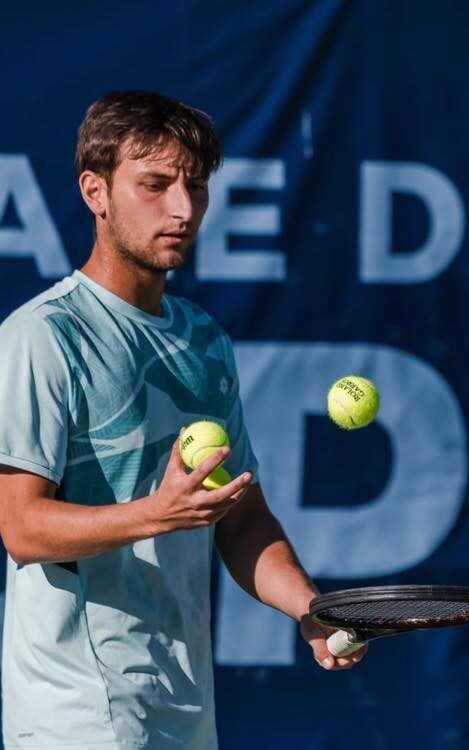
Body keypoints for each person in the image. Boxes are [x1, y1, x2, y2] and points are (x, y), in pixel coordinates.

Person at [0, 91, 363, 750]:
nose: (183, 208)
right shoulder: (44, 336)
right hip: (77, 712)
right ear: (96, 191)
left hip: (184, 706)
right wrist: (154, 514)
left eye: (195, 186)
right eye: (155, 184)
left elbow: (242, 518)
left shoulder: (205, 340)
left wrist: (307, 608)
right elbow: (20, 526)